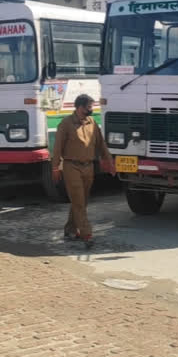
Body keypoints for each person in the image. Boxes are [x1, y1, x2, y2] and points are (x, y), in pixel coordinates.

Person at [51, 94, 116, 249]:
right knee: (79, 201)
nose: (91, 109)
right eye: (89, 107)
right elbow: (57, 147)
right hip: (71, 167)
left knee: (82, 201)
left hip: (89, 167)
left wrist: (110, 162)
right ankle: (86, 234)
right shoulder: (65, 124)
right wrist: (55, 167)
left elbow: (101, 145)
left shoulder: (92, 122)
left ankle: (69, 229)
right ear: (80, 107)